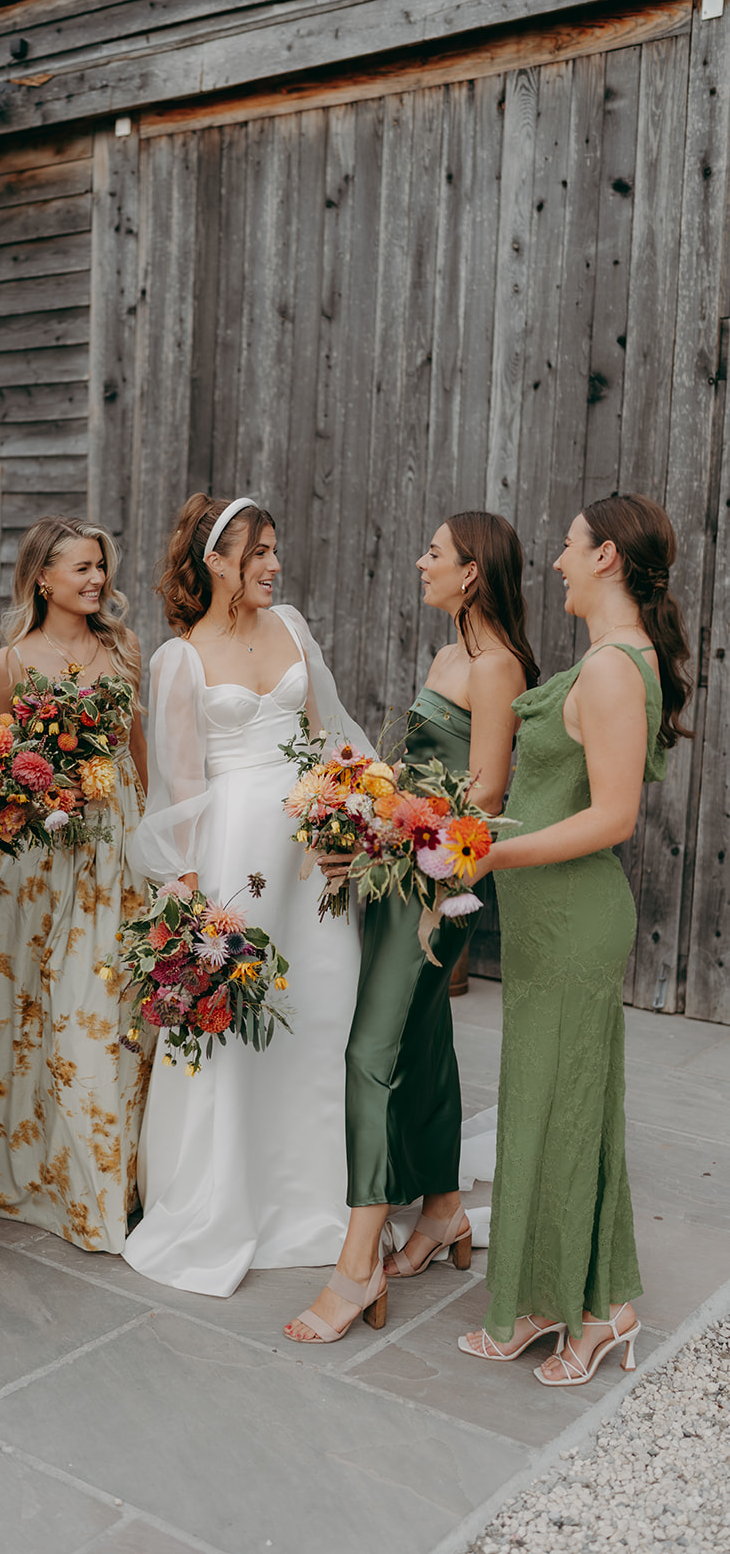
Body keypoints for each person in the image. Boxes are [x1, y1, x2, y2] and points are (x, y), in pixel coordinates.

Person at [286, 512, 538, 1343]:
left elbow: (485, 797)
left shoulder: (497, 666)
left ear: (470, 573)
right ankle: (441, 1210)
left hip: (441, 882)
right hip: (399, 870)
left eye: (433, 552)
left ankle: (356, 1264)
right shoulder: (446, 657)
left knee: (373, 1050)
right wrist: (368, 811)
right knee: (424, 1038)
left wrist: (395, 829)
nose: (419, 560)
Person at [459, 494, 691, 1385]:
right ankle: (538, 1299)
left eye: (566, 547)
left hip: (573, 921)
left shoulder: (609, 670)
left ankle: (598, 1312)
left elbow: (613, 816)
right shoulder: (605, 658)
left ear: (604, 560)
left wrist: (491, 852)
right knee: (542, 1104)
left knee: (566, 1108)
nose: (554, 561)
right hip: (545, 921)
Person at [122, 494, 370, 1298]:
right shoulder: (179, 660)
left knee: (320, 1013)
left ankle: (310, 1199)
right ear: (215, 561)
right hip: (235, 856)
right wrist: (193, 913)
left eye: (273, 549)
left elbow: (332, 735)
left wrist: (352, 815)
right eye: (256, 552)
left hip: (309, 857)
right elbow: (177, 790)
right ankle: (224, 1201)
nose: (272, 564)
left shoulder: (292, 628)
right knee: (240, 1022)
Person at [0, 516, 153, 1252]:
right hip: (37, 857)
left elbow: (137, 754)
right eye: (81, 568)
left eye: (100, 566)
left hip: (111, 849)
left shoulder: (122, 650)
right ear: (43, 578)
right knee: (28, 1006)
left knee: (97, 1003)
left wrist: (149, 841)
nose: (96, 580)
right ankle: (23, 1167)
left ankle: (100, 1183)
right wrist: (28, 806)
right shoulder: (10, 664)